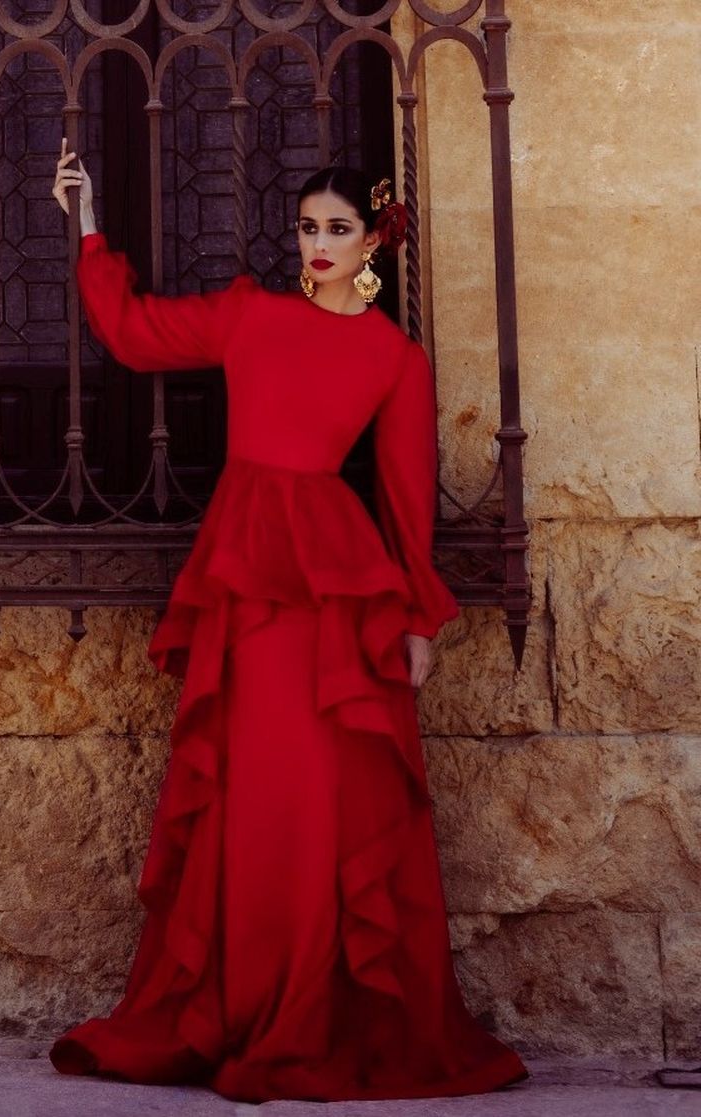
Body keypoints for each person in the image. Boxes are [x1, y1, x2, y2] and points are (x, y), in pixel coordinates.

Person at [45, 140, 530, 1103]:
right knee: (249, 798)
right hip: (244, 578)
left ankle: (311, 1008)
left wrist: (418, 621)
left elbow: (406, 500)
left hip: (334, 594)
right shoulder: (252, 317)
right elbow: (135, 333)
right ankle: (238, 1004)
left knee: (319, 807)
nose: (318, 244)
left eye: (337, 229)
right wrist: (88, 223)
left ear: (372, 242)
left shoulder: (393, 359)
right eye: (308, 227)